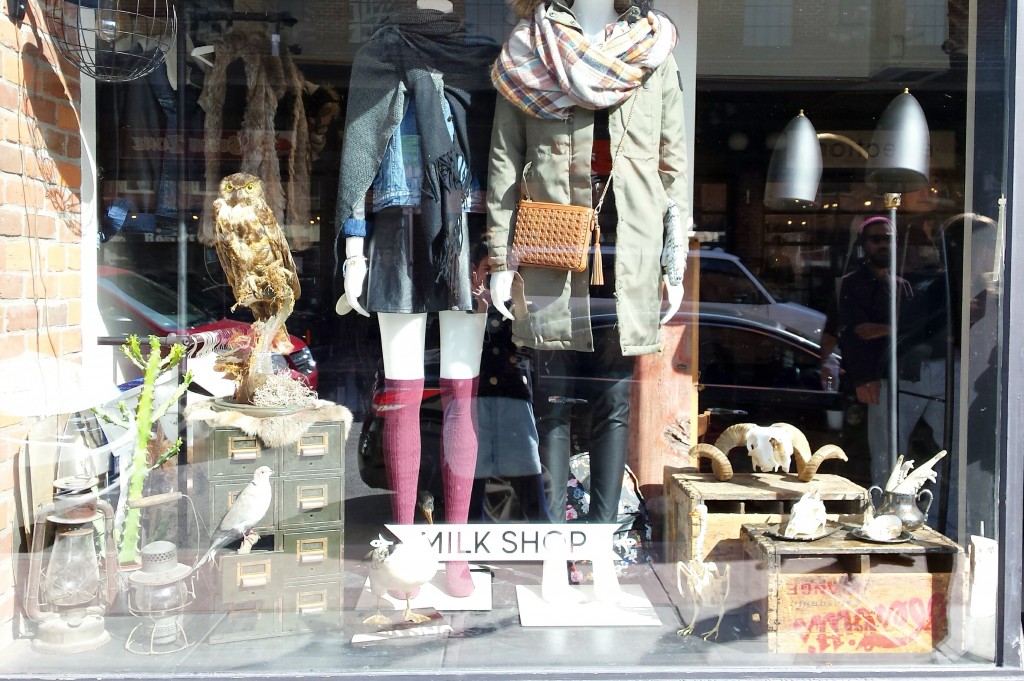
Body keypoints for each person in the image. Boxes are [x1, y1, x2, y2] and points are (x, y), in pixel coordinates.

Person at [485, 0, 687, 523]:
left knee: (613, 406)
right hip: (550, 245)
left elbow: (673, 165)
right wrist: (501, 258)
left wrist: (673, 261)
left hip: (629, 250)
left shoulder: (653, 50)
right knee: (551, 405)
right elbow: (504, 160)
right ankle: (555, 542)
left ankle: (600, 539)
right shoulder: (528, 50)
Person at [334, 2, 499, 597]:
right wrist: (354, 248)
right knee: (402, 394)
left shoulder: (483, 59)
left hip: (462, 223)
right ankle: (405, 551)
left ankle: (455, 553)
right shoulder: (379, 53)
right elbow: (359, 150)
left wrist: (500, 250)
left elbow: (498, 152)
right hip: (396, 223)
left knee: (461, 391)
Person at [834, 216, 913, 487]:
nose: (884, 245)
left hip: (901, 378)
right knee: (871, 451)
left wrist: (885, 329)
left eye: (889, 239)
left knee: (898, 450)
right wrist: (863, 378)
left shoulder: (902, 285)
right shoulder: (851, 283)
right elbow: (856, 333)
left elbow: (912, 332)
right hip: (867, 380)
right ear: (863, 244)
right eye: (877, 239)